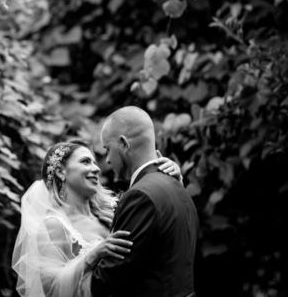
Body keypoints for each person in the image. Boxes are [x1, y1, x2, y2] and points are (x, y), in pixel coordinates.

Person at [12, 138, 183, 297]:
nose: (97, 168)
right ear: (60, 172)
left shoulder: (115, 208)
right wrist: (92, 256)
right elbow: (51, 291)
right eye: (86, 161)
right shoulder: (54, 226)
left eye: (94, 162)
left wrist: (170, 180)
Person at [90, 106, 199, 297]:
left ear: (124, 144)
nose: (107, 160)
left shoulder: (140, 197)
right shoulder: (177, 186)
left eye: (108, 149)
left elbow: (112, 276)